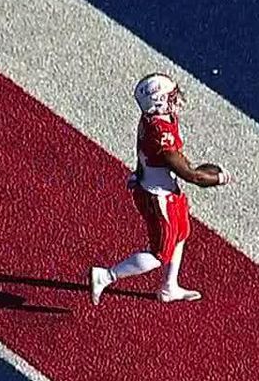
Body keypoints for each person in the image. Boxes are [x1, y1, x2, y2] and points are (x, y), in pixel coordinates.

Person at [89, 73, 229, 305]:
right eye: (170, 96)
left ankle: (169, 287)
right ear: (159, 101)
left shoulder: (155, 119)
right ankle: (106, 276)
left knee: (181, 233)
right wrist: (220, 178)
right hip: (158, 195)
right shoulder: (161, 133)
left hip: (163, 188)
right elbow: (191, 175)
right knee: (160, 253)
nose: (176, 99)